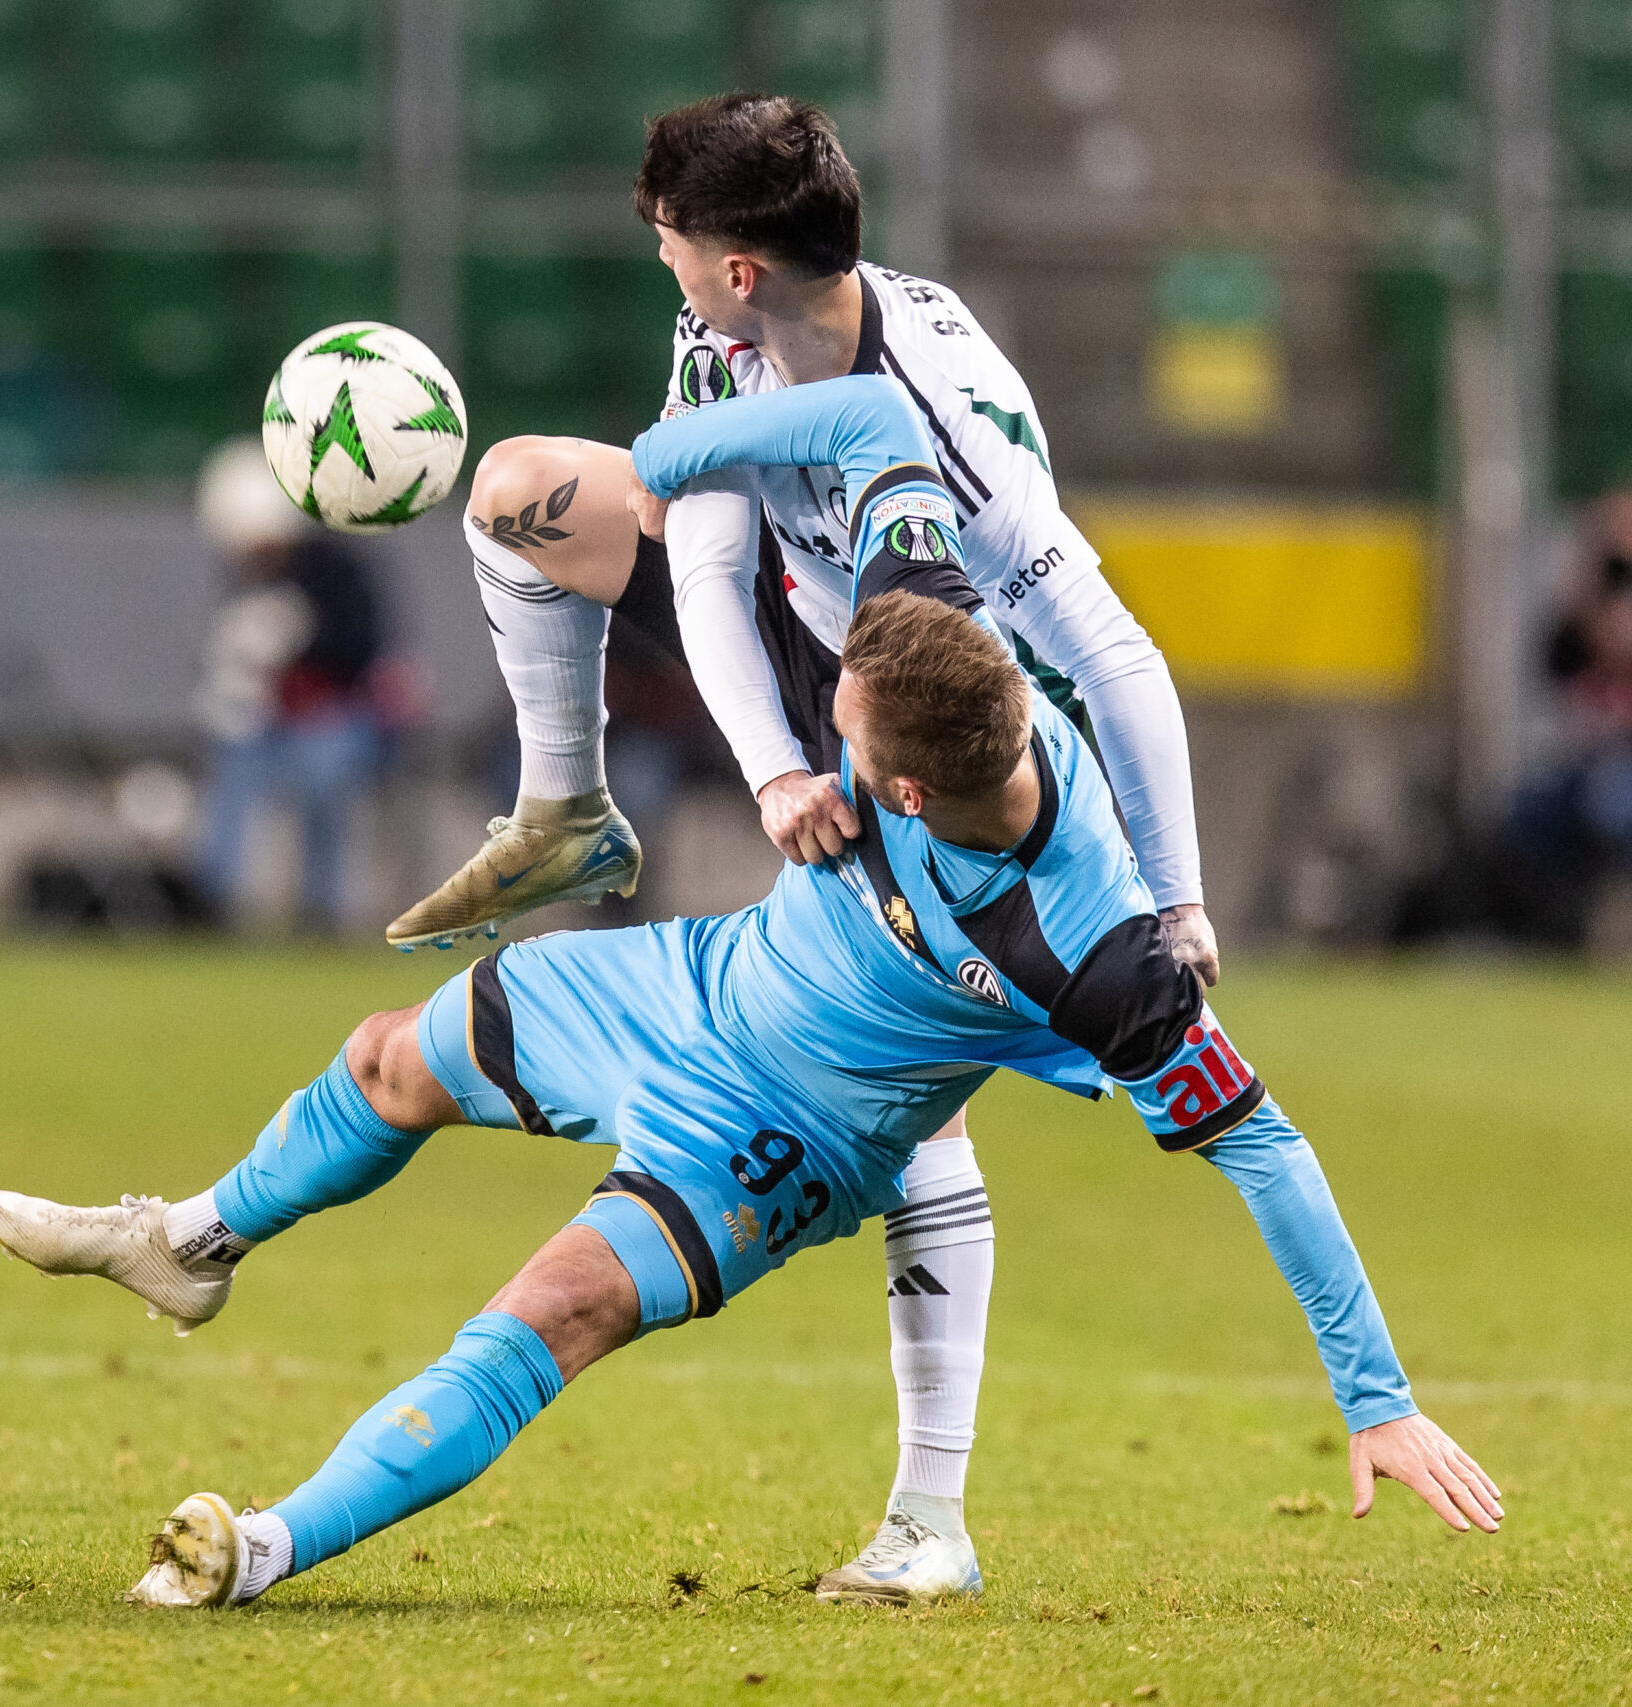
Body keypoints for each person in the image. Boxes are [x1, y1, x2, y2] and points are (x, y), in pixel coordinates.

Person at [0, 379, 1496, 1610]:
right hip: (688, 980)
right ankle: (191, 1240)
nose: (809, 701)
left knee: (546, 1307)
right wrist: (661, 459)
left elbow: (1266, 1147)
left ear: (902, 781)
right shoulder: (930, 622)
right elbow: (864, 427)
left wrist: (1376, 1396)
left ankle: (261, 1545)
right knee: (387, 1059)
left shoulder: (1096, 952)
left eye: (831, 714)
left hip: (777, 1141)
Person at [380, 92, 1214, 1601]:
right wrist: (771, 768)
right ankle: (566, 812)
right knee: (515, 491)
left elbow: (1114, 650)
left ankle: (931, 1517)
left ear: (741, 267)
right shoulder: (728, 338)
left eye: (674, 247)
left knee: (906, 1084)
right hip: (807, 640)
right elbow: (702, 555)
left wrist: (1176, 896)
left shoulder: (953, 415)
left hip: (944, 712)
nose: (666, 269)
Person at [190, 439, 394, 932]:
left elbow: (364, 650)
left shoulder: (336, 570)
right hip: (269, 720)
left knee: (321, 776)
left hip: (336, 714)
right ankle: (211, 898)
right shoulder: (247, 577)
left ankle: (319, 906)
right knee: (232, 770)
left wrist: (303, 640)